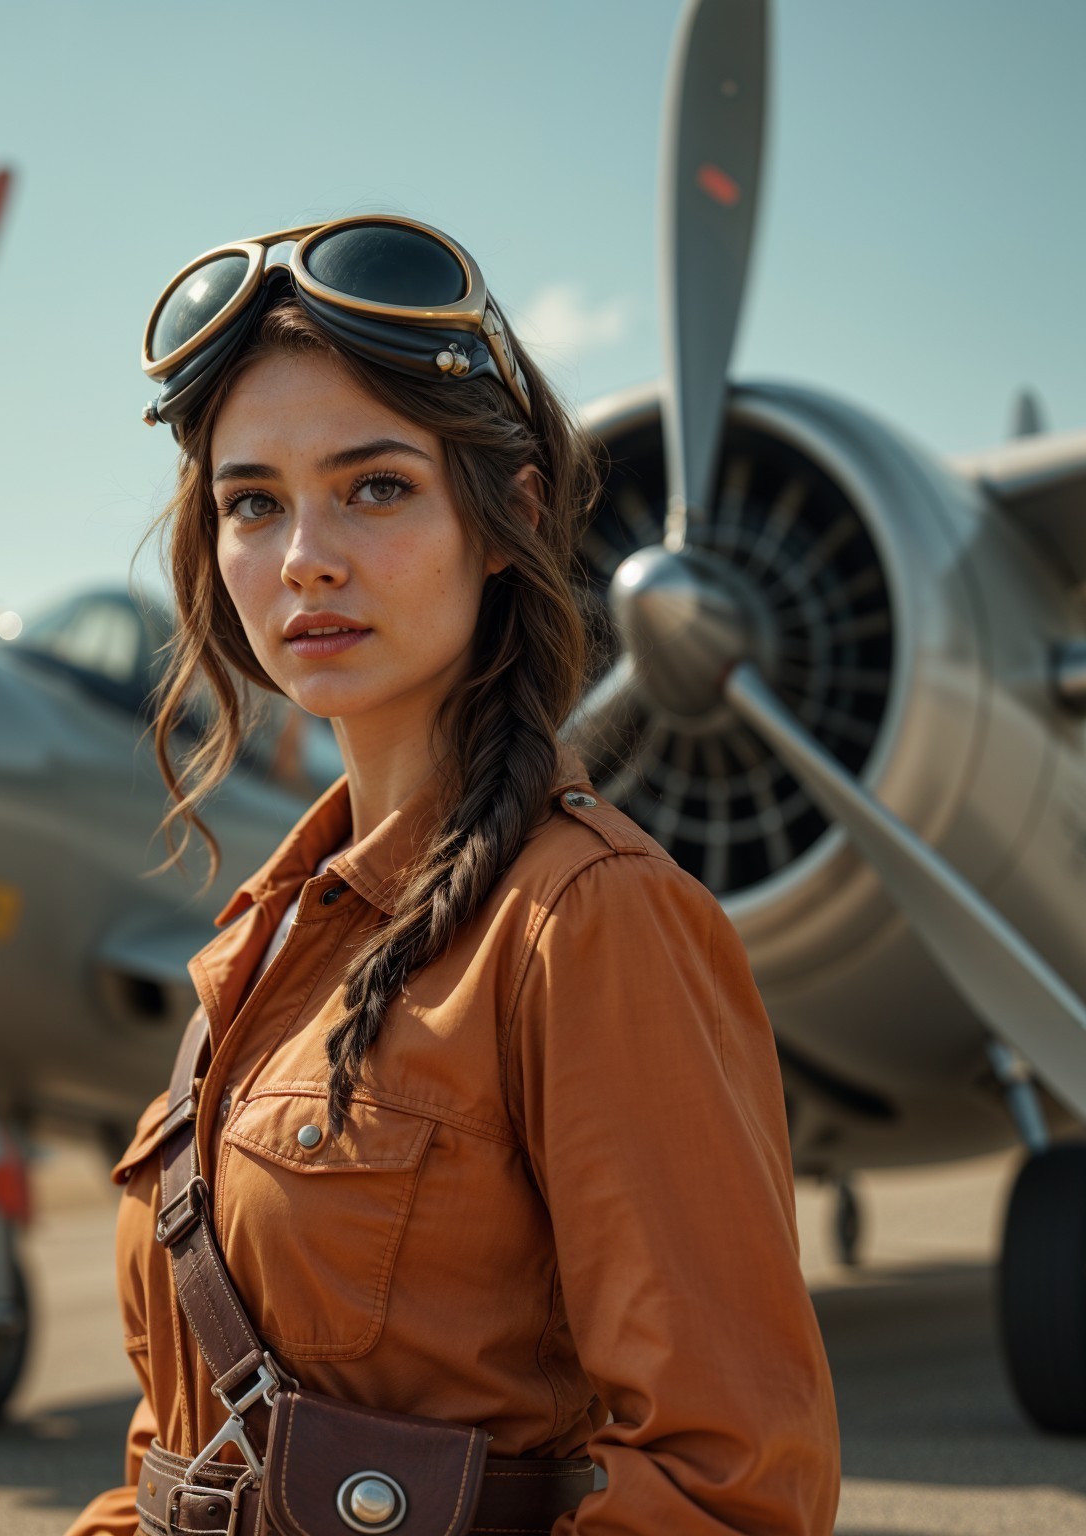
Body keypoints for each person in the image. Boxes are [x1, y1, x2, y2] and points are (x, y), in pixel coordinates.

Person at [64, 216, 840, 1536]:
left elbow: (731, 1489)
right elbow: (177, 1456)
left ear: (507, 517)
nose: (304, 552)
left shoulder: (586, 922)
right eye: (252, 501)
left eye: (374, 487)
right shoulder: (254, 955)